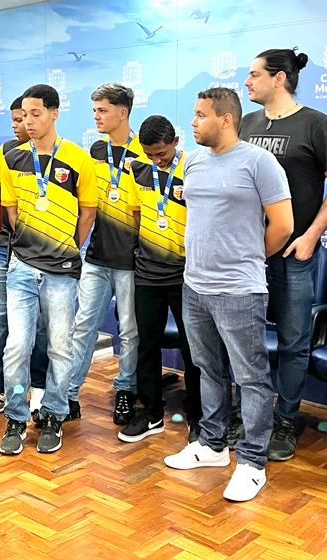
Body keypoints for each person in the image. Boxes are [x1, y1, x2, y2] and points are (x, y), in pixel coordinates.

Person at [163, 87, 292, 504]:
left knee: (251, 377)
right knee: (207, 369)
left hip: (239, 289)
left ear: (226, 119)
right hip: (194, 285)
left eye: (201, 115)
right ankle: (212, 445)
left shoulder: (259, 162)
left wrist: (249, 257)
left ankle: (252, 463)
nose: (193, 122)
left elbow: (283, 225)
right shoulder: (193, 160)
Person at [240, 48, 327, 460]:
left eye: (254, 74)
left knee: (293, 342)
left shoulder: (316, 123)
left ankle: (286, 419)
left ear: (279, 78)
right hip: (249, 253)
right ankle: (251, 415)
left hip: (295, 254)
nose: (247, 82)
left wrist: (311, 236)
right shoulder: (247, 123)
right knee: (246, 339)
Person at [0, 84, 97, 456]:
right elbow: (12, 211)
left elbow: (88, 212)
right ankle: (15, 417)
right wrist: (30, 244)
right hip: (22, 267)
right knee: (16, 347)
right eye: (24, 114)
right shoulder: (12, 157)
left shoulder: (78, 158)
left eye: (36, 113)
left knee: (59, 347)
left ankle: (54, 413)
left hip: (61, 270)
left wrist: (67, 247)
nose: (28, 121)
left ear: (55, 113)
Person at [117, 115, 202, 445]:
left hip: (186, 276)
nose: (156, 161)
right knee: (146, 346)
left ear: (176, 142)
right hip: (147, 275)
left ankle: (198, 417)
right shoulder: (136, 168)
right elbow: (138, 214)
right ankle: (151, 412)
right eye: (150, 154)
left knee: (193, 350)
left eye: (162, 154)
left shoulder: (193, 167)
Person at [0, 96, 50, 422]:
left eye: (25, 117)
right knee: (0, 321)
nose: (20, 125)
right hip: (7, 246)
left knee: (40, 324)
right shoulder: (7, 152)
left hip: (43, 250)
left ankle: (39, 389)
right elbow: (8, 201)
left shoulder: (59, 155)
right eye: (15, 119)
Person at [68, 83, 144, 424]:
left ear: (122, 112)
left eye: (102, 110)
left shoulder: (144, 152)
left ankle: (125, 389)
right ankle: (68, 394)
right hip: (96, 257)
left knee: (129, 331)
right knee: (83, 325)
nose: (96, 117)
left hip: (131, 260)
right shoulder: (96, 151)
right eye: (94, 110)